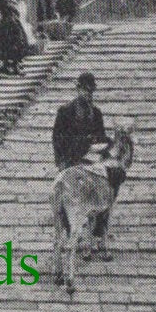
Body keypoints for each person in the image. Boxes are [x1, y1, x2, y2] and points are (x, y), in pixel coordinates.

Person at [52, 71, 116, 256]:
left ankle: (98, 233)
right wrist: (62, 162)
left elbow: (102, 138)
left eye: (91, 92)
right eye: (85, 90)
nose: (88, 95)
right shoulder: (65, 112)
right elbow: (57, 139)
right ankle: (70, 230)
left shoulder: (96, 114)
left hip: (91, 160)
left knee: (106, 186)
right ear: (78, 89)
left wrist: (101, 143)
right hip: (71, 160)